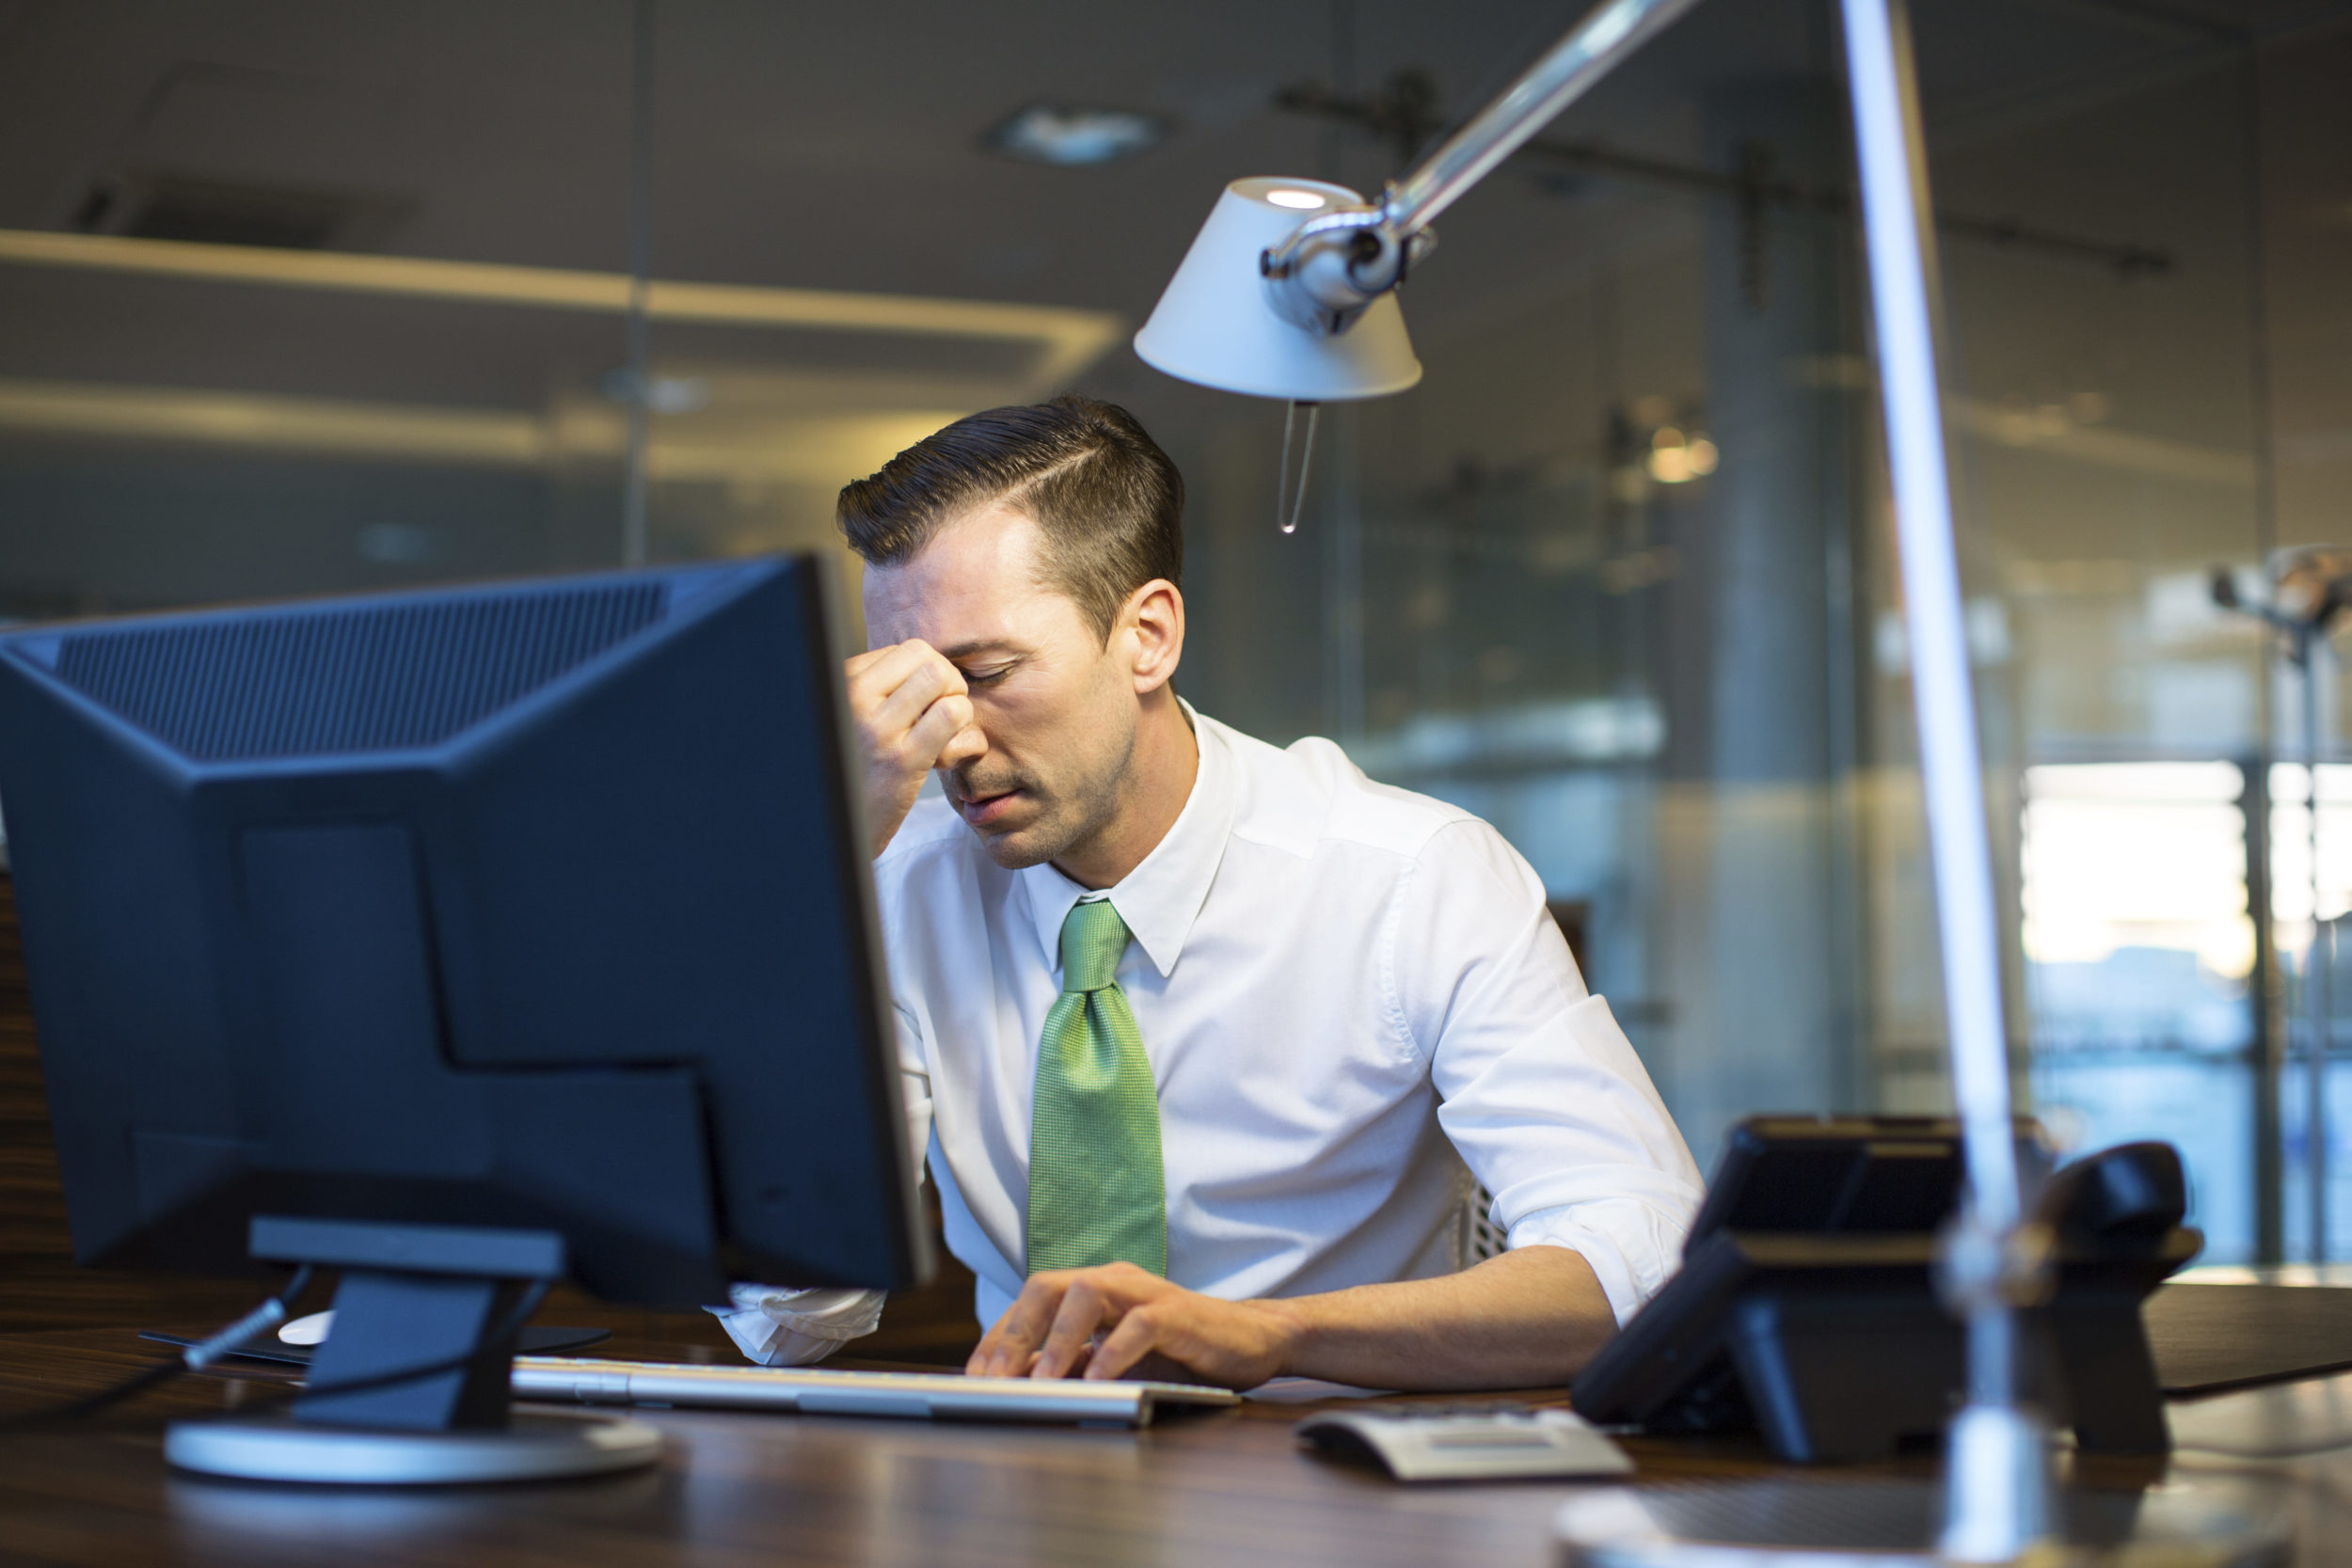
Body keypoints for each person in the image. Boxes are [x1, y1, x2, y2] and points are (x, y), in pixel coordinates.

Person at [711, 395, 1702, 1390]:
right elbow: (792, 1317)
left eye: (991, 672)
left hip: (1338, 1482)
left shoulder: (1414, 878)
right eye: (912, 689)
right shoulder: (895, 874)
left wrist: (1270, 1333)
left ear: (1147, 634)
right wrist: (815, 886)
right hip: (1027, 1484)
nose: (951, 741)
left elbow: (1640, 1263)